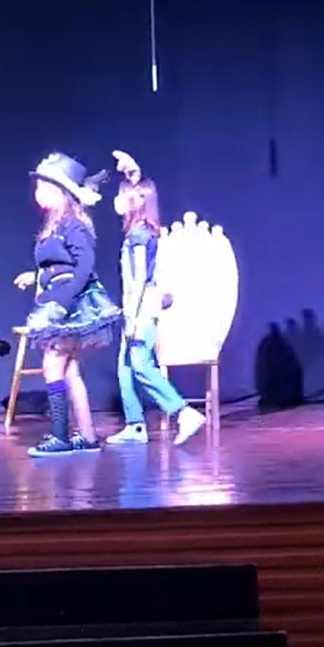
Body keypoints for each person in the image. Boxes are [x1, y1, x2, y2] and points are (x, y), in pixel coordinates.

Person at [15, 153, 122, 458]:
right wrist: (36, 276)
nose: (37, 193)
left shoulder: (74, 225)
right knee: (70, 370)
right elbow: (56, 265)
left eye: (43, 187)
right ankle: (87, 436)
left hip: (70, 304)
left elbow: (83, 266)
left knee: (53, 364)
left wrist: (62, 301)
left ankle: (61, 436)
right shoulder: (55, 225)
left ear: (59, 191)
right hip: (59, 298)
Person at [105, 150, 205, 445]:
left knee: (140, 365)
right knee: (125, 367)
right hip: (137, 309)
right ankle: (135, 424)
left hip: (141, 310)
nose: (117, 200)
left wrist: (134, 317)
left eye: (122, 195)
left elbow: (138, 280)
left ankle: (183, 412)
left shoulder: (139, 235)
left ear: (136, 201)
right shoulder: (139, 233)